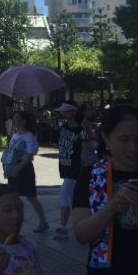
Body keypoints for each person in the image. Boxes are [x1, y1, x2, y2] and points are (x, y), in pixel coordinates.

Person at [72, 104, 138, 275]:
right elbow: (81, 234)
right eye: (124, 139)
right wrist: (112, 207)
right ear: (106, 138)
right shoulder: (91, 176)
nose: (133, 148)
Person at [4, 111, 49, 233]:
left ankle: (43, 222)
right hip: (13, 167)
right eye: (14, 118)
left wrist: (19, 167)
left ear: (23, 121)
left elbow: (30, 154)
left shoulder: (29, 136)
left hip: (25, 169)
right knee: (13, 196)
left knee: (31, 197)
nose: (14, 120)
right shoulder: (15, 135)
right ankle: (13, 223)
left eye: (17, 118)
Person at [54, 101, 87, 240]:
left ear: (73, 112)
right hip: (65, 165)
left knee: (63, 195)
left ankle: (62, 227)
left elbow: (85, 148)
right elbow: (48, 122)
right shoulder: (64, 126)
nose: (63, 113)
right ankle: (81, 224)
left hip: (75, 168)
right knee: (75, 199)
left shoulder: (81, 130)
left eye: (66, 111)